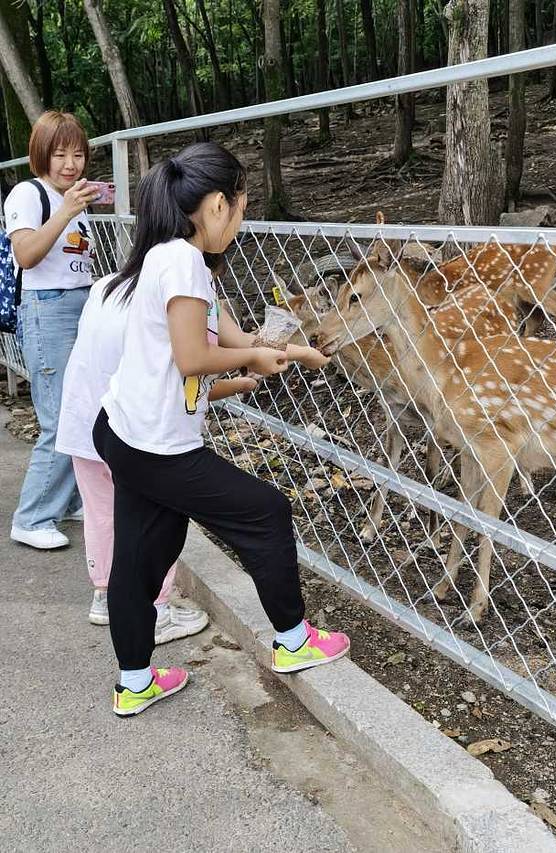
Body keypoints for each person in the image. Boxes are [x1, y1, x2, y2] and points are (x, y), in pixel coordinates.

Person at [92, 141, 350, 716]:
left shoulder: (169, 256)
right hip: (158, 445)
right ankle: (293, 640)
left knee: (142, 552)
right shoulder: (182, 262)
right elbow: (191, 357)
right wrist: (250, 362)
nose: (240, 220)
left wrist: (287, 351)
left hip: (123, 430)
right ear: (215, 206)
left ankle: (134, 682)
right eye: (241, 207)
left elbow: (224, 333)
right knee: (265, 512)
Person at [55, 265, 255, 642]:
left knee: (102, 514)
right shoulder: (177, 295)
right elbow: (180, 375)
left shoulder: (106, 285)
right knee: (155, 520)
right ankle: (157, 610)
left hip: (85, 422)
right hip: (135, 432)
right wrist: (237, 381)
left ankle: (104, 595)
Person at [4, 111, 100, 550]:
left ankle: (67, 499)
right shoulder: (29, 193)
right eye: (60, 153)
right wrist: (65, 210)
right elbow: (26, 254)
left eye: (78, 154)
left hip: (78, 308)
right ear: (40, 153)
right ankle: (33, 517)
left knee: (83, 407)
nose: (70, 163)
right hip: (47, 311)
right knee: (60, 417)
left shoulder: (71, 199)